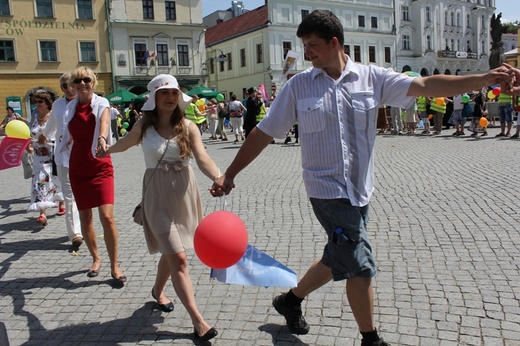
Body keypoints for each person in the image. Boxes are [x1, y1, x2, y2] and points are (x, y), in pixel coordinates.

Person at [210, 10, 511, 346]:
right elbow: (263, 132)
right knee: (359, 264)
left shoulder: (372, 78)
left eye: (313, 45)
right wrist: (230, 173)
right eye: (304, 46)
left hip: (360, 189)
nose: (306, 53)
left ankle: (290, 300)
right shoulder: (299, 86)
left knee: (337, 255)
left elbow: (426, 85)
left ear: (334, 42)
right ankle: (371, 340)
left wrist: (485, 78)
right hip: (326, 190)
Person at [99, 74, 220, 342]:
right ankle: (198, 321)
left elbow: (202, 157)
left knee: (172, 251)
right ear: (154, 97)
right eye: (164, 93)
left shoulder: (188, 126)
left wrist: (218, 177)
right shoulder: (145, 126)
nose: (170, 97)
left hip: (185, 194)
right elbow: (126, 143)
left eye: (174, 93)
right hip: (156, 195)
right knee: (179, 257)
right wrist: (105, 151)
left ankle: (157, 290)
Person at [60, 66, 126, 283]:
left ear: (93, 82)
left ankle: (115, 265)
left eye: (86, 80)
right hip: (78, 168)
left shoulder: (101, 103)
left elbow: (105, 123)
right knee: (85, 218)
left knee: (107, 216)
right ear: (73, 85)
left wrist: (102, 138)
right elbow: (58, 130)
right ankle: (96, 259)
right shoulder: (69, 108)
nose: (82, 84)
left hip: (100, 166)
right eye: (77, 80)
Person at [39, 73, 83, 249]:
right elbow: (50, 128)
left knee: (84, 195)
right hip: (64, 158)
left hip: (84, 156)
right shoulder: (57, 105)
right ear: (61, 88)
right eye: (65, 86)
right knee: (69, 196)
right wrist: (43, 136)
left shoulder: (85, 102)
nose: (69, 88)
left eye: (71, 84)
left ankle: (86, 227)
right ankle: (76, 234)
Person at [26, 90, 64, 226]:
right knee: (39, 182)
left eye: (40, 101)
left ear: (48, 103)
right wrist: (28, 144)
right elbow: (30, 133)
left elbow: (60, 134)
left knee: (56, 180)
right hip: (38, 157)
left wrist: (48, 139)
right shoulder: (34, 116)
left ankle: (61, 202)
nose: (37, 104)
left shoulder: (53, 116)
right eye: (35, 102)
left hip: (52, 155)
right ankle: (42, 213)